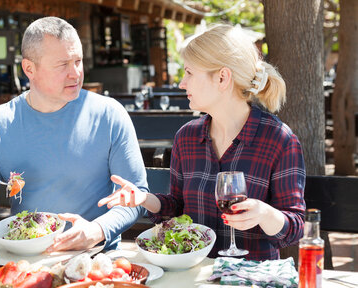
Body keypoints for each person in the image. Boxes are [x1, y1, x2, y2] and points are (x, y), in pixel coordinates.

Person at [99, 24, 306, 261]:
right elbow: (178, 208)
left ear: (222, 78)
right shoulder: (186, 137)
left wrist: (265, 214)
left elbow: (294, 229)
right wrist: (145, 199)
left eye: (189, 73)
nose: (181, 83)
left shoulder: (279, 139)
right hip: (193, 277)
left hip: (250, 283)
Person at [0, 17, 147, 252]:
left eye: (78, 61)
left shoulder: (109, 114)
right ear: (29, 69)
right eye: (62, 65)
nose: (75, 73)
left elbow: (136, 196)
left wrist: (97, 230)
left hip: (94, 257)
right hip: (26, 256)